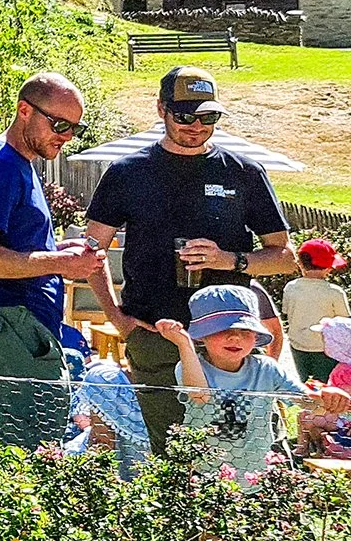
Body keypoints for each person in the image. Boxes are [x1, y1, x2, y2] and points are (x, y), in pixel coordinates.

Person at [84, 68, 298, 454]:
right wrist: (116, 318)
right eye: (184, 116)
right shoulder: (127, 172)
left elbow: (284, 258)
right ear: (161, 109)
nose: (196, 126)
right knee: (174, 456)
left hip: (230, 343)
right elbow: (89, 252)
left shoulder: (244, 173)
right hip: (157, 337)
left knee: (248, 452)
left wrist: (227, 258)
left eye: (208, 117)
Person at [0, 73, 105, 452]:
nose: (66, 136)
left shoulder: (17, 163)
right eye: (59, 125)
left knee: (32, 455)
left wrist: (61, 252)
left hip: (21, 325)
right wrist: (59, 262)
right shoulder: (1, 167)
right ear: (24, 111)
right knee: (27, 458)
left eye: (75, 128)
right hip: (12, 325)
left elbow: (12, 245)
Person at [157, 283, 351, 481]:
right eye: (221, 330)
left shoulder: (266, 368)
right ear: (201, 336)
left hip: (258, 473)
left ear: (256, 335)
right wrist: (184, 345)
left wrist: (327, 400)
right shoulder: (191, 366)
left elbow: (303, 400)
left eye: (245, 330)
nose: (235, 337)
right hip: (208, 477)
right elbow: (199, 396)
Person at [284, 239, 350, 384]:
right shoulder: (335, 292)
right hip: (326, 348)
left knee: (306, 384)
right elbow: (344, 321)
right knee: (326, 385)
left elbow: (286, 311)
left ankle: (309, 405)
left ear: (300, 264)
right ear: (328, 268)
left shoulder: (290, 287)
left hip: (298, 345)